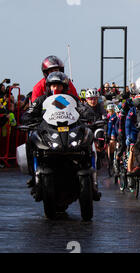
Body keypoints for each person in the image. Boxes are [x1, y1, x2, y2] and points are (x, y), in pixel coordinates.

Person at [22, 72, 101, 201]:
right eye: (53, 86)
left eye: (59, 86)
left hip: (70, 134)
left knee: (89, 138)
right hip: (50, 133)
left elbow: (84, 109)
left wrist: (91, 116)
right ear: (49, 87)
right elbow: (28, 114)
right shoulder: (42, 100)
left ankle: (93, 182)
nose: (56, 89)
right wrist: (29, 120)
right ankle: (34, 176)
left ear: (64, 87)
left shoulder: (72, 100)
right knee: (31, 140)